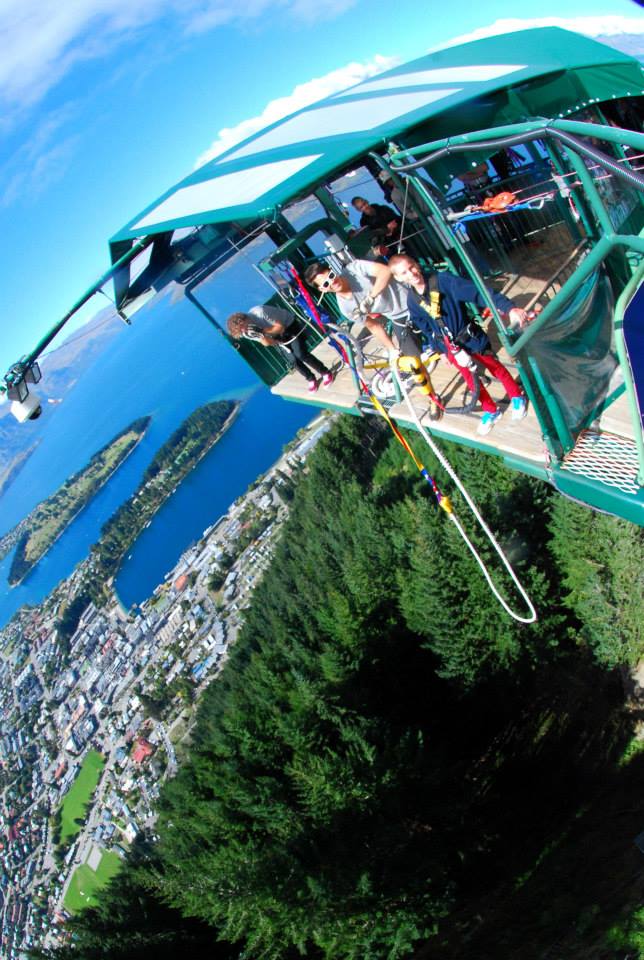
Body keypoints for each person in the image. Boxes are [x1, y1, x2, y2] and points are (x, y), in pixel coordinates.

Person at [388, 254, 529, 435]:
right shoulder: (413, 301)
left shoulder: (443, 281)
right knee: (470, 379)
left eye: (412, 267)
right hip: (450, 346)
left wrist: (509, 307)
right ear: (398, 278)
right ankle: (491, 409)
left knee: (495, 367)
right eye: (404, 273)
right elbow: (426, 328)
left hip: (470, 337)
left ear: (417, 264)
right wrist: (441, 351)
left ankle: (516, 396)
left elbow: (477, 293)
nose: (411, 273)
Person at [304, 258, 437, 403]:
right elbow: (373, 326)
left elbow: (385, 271)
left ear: (332, 271)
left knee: (447, 337)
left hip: (416, 299)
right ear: (323, 289)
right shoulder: (346, 308)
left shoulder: (354, 268)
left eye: (330, 276)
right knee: (414, 365)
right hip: (398, 317)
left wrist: (371, 297)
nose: (332, 282)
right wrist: (392, 349)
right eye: (325, 283)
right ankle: (433, 399)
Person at [226, 304, 333, 393]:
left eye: (243, 327)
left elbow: (280, 328)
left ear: (244, 319)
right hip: (275, 336)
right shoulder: (247, 333)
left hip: (289, 326)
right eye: (241, 331)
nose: (244, 330)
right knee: (293, 360)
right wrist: (261, 336)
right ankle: (310, 378)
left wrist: (262, 330)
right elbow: (267, 343)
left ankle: (325, 372)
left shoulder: (260, 312)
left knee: (300, 354)